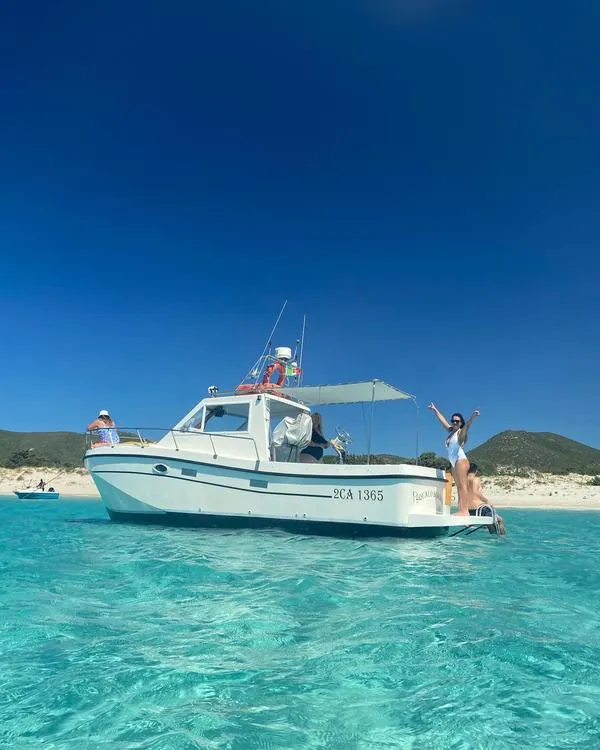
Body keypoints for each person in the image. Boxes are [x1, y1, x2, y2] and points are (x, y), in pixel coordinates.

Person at [429, 403, 479, 515]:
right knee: (459, 487)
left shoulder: (460, 432)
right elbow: (443, 421)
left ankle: (464, 511)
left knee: (463, 486)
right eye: (453, 421)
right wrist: (435, 410)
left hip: (460, 460)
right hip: (453, 462)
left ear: (461, 423)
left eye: (457, 421)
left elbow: (467, 426)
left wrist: (473, 417)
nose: (455, 423)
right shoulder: (451, 432)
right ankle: (461, 510)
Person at [467, 463, 506, 535]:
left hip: (469, 510)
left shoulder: (463, 481)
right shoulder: (475, 479)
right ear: (475, 471)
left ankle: (493, 534)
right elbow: (475, 491)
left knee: (490, 522)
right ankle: (502, 538)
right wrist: (486, 501)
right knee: (500, 520)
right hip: (479, 509)